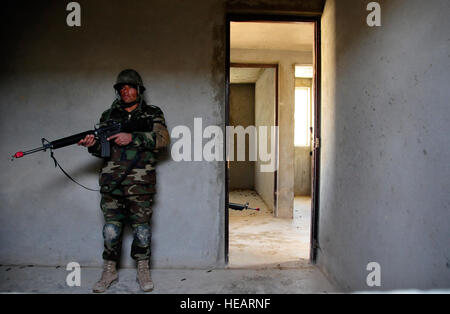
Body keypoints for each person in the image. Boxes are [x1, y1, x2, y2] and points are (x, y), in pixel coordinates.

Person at [78, 69, 170, 293]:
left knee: (142, 231)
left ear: (138, 89)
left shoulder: (152, 112)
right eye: (121, 88)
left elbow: (163, 138)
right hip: (112, 183)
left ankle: (143, 269)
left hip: (141, 183)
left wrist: (133, 137)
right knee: (111, 230)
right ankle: (109, 270)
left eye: (129, 87)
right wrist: (92, 144)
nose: (125, 91)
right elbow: (102, 149)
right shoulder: (108, 115)